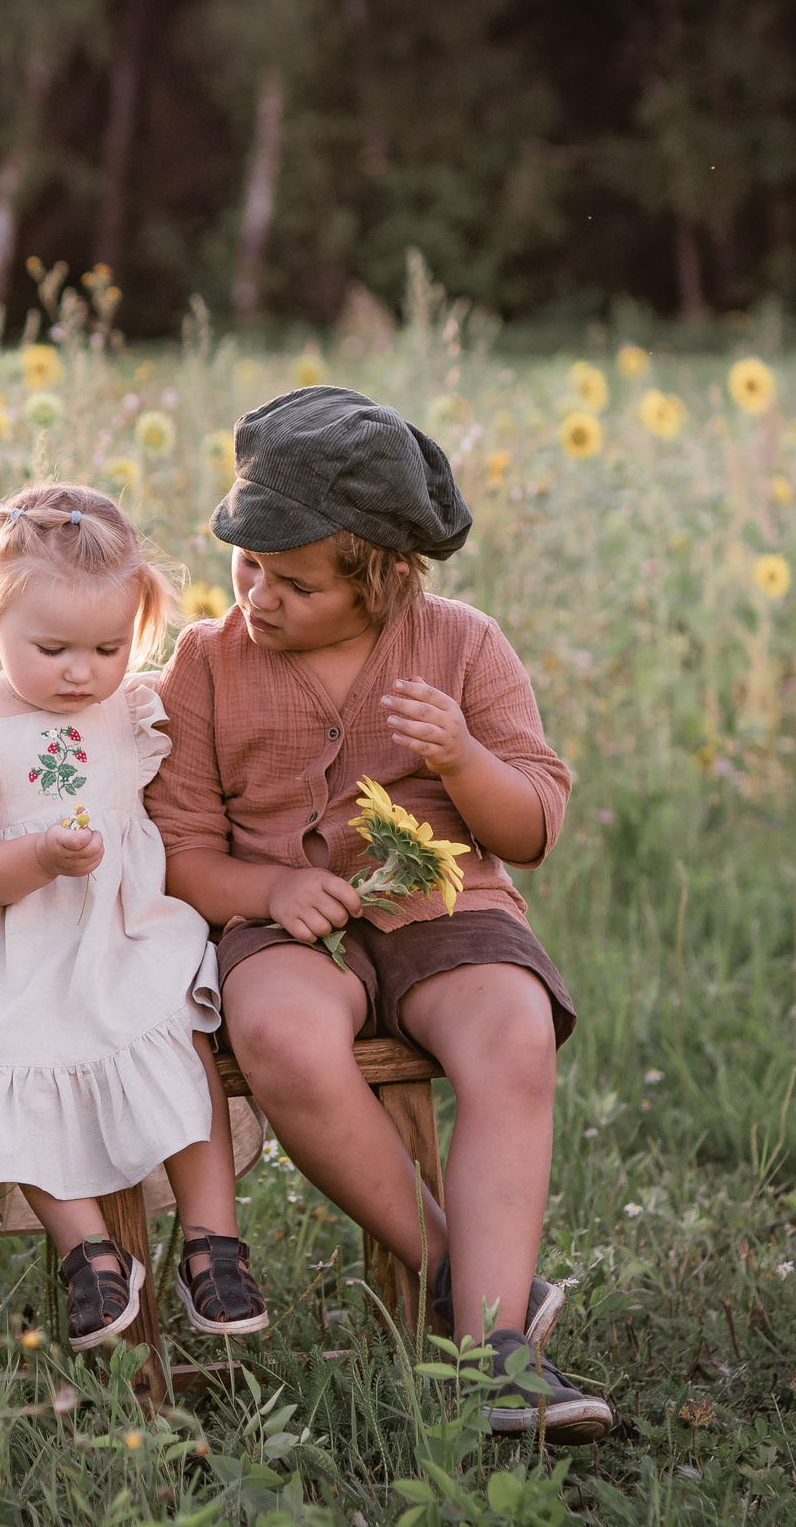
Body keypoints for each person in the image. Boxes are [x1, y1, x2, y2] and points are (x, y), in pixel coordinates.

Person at [145, 385, 615, 1440]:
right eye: (247, 565)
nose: (259, 597)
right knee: (276, 1030)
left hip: (445, 906)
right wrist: (267, 891)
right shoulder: (207, 665)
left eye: (295, 583)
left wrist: (462, 757)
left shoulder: (463, 645)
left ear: (385, 577)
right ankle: (458, 1275)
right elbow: (180, 852)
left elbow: (533, 825)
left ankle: (498, 1359)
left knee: (512, 1029)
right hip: (284, 921)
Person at [0, 482, 269, 1351]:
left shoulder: (133, 707)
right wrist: (41, 856)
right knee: (10, 1058)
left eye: (107, 647)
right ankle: (88, 1250)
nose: (81, 671)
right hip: (19, 954)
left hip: (128, 933)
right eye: (52, 648)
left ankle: (213, 1240)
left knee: (175, 1024)